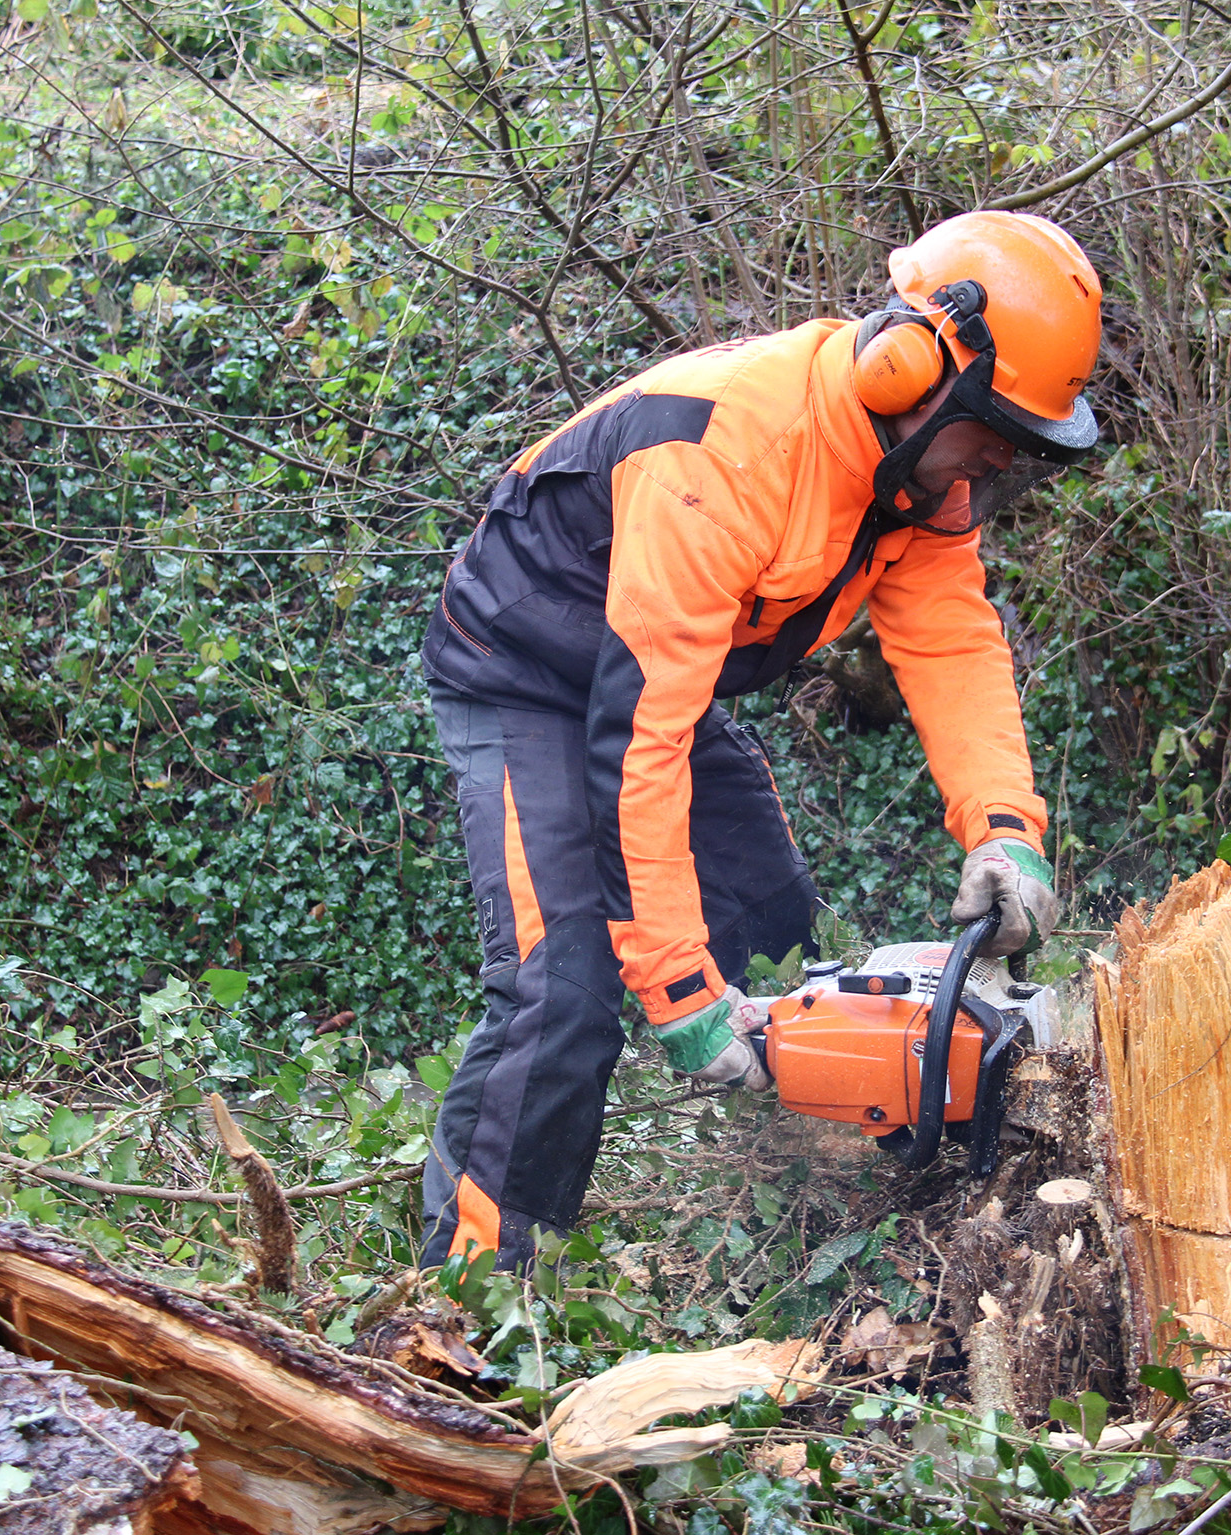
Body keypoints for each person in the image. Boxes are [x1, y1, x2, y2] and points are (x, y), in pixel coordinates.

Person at [416, 210, 1105, 1269]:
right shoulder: (723, 452)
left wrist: (1004, 828)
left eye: (1016, 448)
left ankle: (777, 1189)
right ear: (909, 365)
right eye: (991, 431)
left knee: (772, 918)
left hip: (654, 679)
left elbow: (954, 646)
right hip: (525, 676)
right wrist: (681, 995)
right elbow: (633, 748)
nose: (993, 464)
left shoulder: (916, 483)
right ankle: (465, 1297)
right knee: (562, 992)